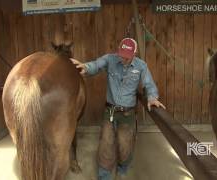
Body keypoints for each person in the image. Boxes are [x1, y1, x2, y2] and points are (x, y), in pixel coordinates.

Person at [71, 38, 166, 180]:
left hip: (127, 114)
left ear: (135, 53)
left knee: (125, 145)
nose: (123, 59)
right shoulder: (110, 59)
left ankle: (123, 168)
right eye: (121, 55)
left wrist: (152, 97)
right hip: (110, 111)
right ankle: (104, 175)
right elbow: (96, 65)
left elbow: (149, 84)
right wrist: (84, 67)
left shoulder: (141, 66)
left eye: (127, 56)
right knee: (106, 143)